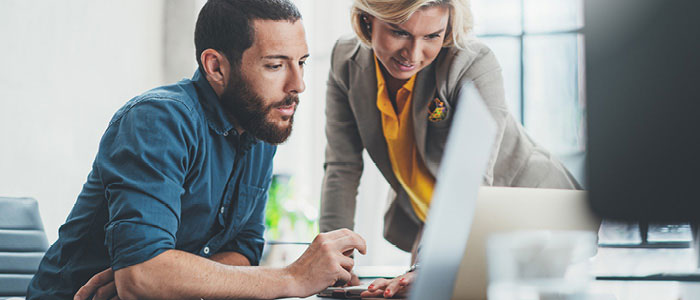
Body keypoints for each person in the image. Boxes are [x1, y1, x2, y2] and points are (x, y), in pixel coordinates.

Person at [27, 1, 366, 299]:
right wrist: (292, 277)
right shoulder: (158, 120)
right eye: (275, 66)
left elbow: (243, 252)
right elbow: (141, 278)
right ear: (216, 67)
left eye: (302, 62)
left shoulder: (260, 127)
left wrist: (170, 278)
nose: (298, 84)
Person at [319, 0, 580, 297]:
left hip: (532, 212)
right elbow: (342, 167)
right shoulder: (345, 60)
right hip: (440, 221)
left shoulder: (472, 62)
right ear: (368, 21)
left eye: (432, 36)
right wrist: (333, 264)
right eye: (399, 32)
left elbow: (469, 179)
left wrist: (425, 266)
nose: (413, 54)